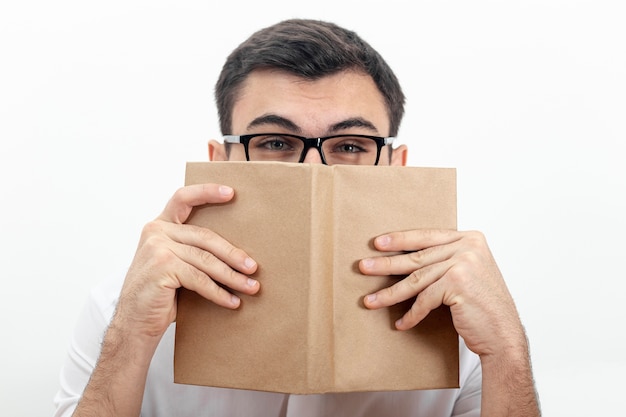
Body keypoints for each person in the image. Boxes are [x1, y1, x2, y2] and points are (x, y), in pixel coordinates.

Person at [53, 18, 540, 417]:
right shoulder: (120, 306)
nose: (313, 172)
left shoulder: (462, 316)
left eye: (350, 146)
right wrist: (129, 338)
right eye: (275, 143)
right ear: (220, 160)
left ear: (396, 167)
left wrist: (507, 355)